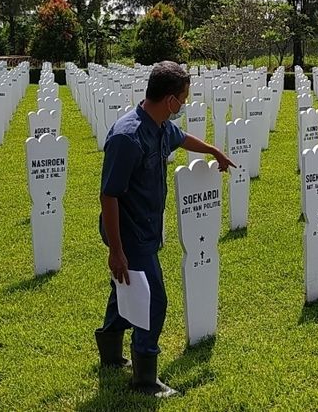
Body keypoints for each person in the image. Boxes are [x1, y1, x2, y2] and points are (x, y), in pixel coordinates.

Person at [94, 61, 235, 398]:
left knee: (126, 288)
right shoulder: (128, 137)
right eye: (183, 99)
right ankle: (145, 379)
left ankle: (110, 354)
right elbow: (109, 195)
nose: (184, 105)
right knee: (153, 300)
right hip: (129, 233)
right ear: (170, 100)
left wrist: (214, 150)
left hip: (146, 229)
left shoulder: (159, 126)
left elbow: (182, 138)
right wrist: (117, 250)